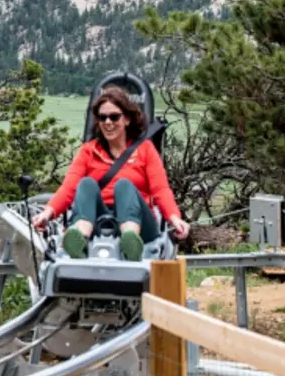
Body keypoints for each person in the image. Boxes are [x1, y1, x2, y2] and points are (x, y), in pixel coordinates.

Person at [31, 86, 191, 261]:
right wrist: (47, 214)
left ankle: (130, 242)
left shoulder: (145, 150)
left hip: (139, 220)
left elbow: (160, 189)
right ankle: (80, 237)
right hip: (99, 220)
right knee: (86, 184)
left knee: (124, 185)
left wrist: (174, 219)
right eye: (103, 117)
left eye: (114, 117)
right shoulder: (88, 151)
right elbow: (68, 189)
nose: (108, 122)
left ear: (127, 119)